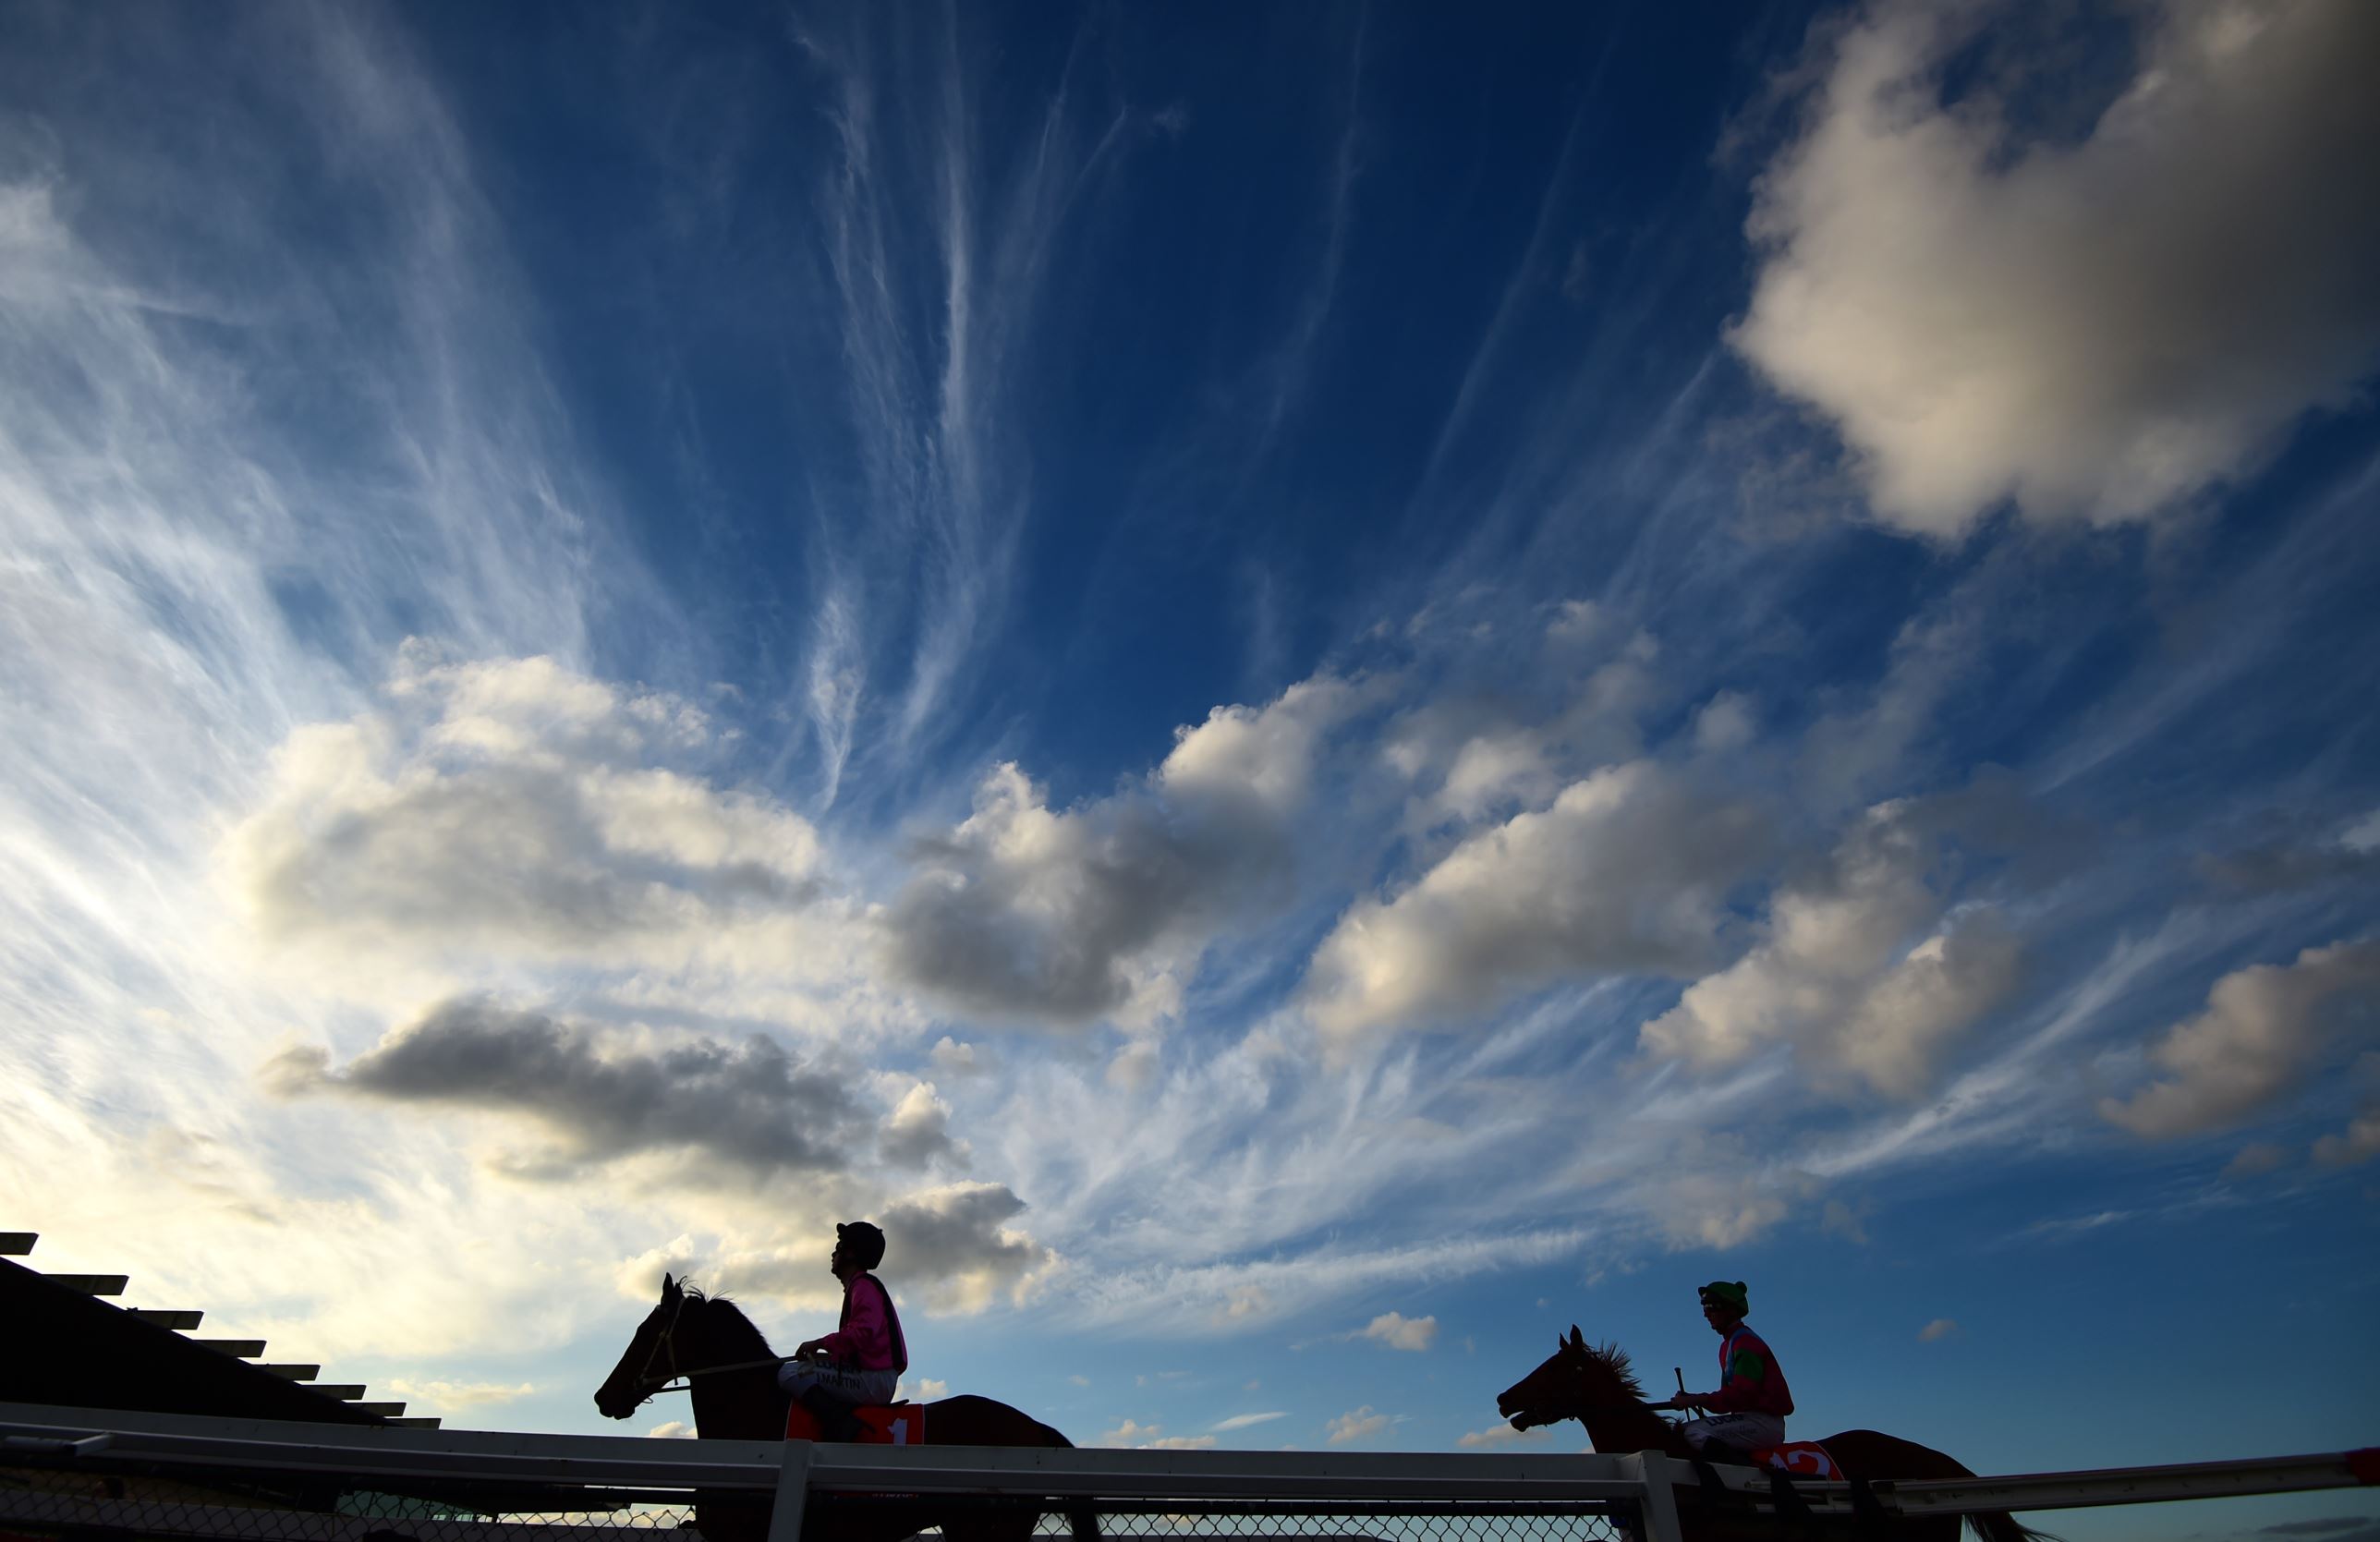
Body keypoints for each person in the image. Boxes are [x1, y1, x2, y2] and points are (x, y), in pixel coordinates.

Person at [776, 1220, 908, 1442]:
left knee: (788, 1373)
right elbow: (858, 1345)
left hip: (874, 1380)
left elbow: (863, 1332)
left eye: (838, 1247)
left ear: (850, 1254)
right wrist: (825, 1357)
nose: (833, 1253)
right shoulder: (860, 1287)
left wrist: (819, 1343)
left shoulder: (863, 1286)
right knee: (804, 1368)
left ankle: (841, 1422)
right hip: (874, 1376)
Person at [1662, 1280, 1792, 1460]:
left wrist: (1696, 1400)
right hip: (1747, 1419)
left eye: (1711, 1307)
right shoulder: (1728, 1345)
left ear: (1730, 1309)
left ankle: (1747, 1472)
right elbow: (1729, 1399)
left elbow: (1742, 1395)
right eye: (1704, 1308)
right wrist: (1694, 1399)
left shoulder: (1746, 1343)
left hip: (1763, 1423)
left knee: (1691, 1433)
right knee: (1684, 1430)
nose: (1706, 1314)